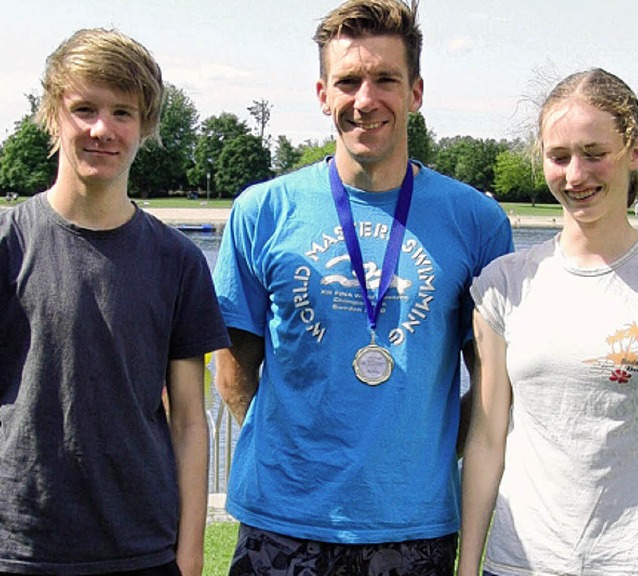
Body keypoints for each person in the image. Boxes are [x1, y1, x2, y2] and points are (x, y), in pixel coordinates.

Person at [213, 1, 512, 573]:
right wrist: (300, 453)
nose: (365, 99)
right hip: (282, 521)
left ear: (416, 92)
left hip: (413, 526)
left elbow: (495, 385)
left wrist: (418, 450)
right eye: (347, 81)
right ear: (323, 93)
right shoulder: (263, 210)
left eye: (386, 80)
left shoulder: (476, 222)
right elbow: (232, 369)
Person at [0, 29, 230, 576]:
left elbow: (190, 423)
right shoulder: (10, 244)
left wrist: (191, 554)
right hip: (20, 545)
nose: (102, 129)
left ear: (145, 126)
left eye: (123, 112)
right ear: (52, 116)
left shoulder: (179, 262)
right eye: (84, 108)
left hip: (142, 547)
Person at [458, 68, 638, 576]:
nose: (575, 175)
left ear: (635, 152)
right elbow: (487, 437)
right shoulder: (504, 284)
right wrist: (469, 566)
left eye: (594, 153)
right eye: (559, 157)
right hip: (518, 562)